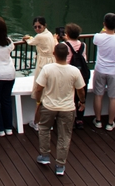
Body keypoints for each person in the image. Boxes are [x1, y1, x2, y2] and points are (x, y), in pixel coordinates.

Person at [32, 42, 86, 177]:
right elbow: (81, 90)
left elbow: (39, 88)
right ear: (68, 54)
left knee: (44, 129)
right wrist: (82, 102)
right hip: (68, 108)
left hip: (49, 105)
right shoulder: (74, 71)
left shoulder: (47, 69)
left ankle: (44, 156)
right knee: (64, 136)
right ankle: (60, 165)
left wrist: (39, 101)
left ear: (54, 54)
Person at [92, 13, 115, 130]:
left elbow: (98, 37)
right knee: (113, 97)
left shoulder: (98, 37)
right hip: (114, 72)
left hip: (100, 69)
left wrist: (103, 30)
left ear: (104, 24)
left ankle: (98, 120)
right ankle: (110, 123)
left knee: (98, 95)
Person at [21, 16, 55, 131]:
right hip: (51, 62)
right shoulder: (49, 34)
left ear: (44, 26)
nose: (37, 29)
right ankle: (47, 121)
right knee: (49, 91)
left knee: (40, 92)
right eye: (35, 27)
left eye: (39, 27)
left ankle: (38, 122)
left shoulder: (40, 36)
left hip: (43, 64)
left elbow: (31, 41)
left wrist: (27, 38)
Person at [61, 24, 90, 129]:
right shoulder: (83, 45)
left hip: (68, 74)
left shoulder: (64, 45)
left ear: (67, 34)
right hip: (81, 74)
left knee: (70, 97)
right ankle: (80, 119)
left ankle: (70, 120)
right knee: (81, 96)